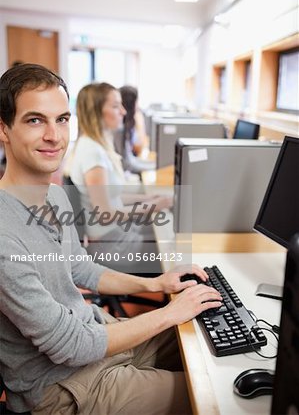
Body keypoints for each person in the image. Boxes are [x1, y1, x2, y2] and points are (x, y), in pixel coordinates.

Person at [0, 63, 222, 415]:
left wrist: (156, 284)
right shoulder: (4, 235)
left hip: (97, 336)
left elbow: (80, 267)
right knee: (216, 398)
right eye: (34, 120)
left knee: (206, 343)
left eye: (62, 119)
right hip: (60, 387)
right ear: (4, 129)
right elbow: (69, 346)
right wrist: (169, 311)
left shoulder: (55, 197)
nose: (55, 136)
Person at [70, 82, 170, 273]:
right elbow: (105, 213)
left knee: (165, 229)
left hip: (115, 235)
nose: (123, 111)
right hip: (112, 245)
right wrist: (152, 207)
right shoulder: (92, 153)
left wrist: (147, 199)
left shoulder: (96, 146)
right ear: (96, 112)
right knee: (173, 247)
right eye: (116, 106)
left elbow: (112, 196)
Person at [115, 85, 154, 175]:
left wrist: (154, 165)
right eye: (137, 102)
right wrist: (154, 166)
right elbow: (128, 163)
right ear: (131, 104)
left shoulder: (126, 126)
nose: (138, 106)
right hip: (125, 175)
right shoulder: (119, 129)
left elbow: (131, 158)